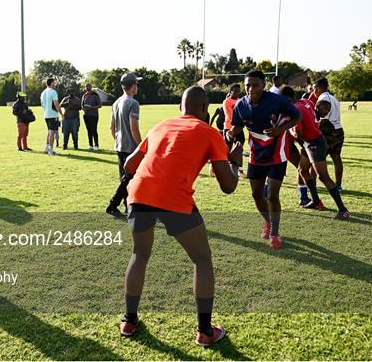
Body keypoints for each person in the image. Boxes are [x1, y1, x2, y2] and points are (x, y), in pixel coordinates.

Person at [118, 86, 242, 345]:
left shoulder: (161, 126)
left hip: (138, 192)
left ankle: (129, 320)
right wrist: (235, 162)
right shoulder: (210, 133)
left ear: (180, 108)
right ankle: (205, 332)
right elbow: (228, 186)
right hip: (173, 196)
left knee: (139, 254)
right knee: (202, 259)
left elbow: (130, 163)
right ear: (205, 109)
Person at [229, 70, 300, 249]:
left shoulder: (277, 100)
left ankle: (275, 234)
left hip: (277, 153)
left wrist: (280, 129)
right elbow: (238, 125)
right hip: (256, 154)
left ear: (264, 84)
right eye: (248, 85)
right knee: (256, 195)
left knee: (272, 195)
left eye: (255, 85)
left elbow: (296, 116)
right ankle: (268, 222)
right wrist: (232, 132)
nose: (250, 88)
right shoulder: (240, 105)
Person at [280, 86, 350, 220]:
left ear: (288, 99)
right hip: (313, 141)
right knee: (302, 170)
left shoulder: (295, 110)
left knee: (323, 176)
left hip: (314, 143)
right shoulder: (306, 102)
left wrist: (290, 131)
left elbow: (298, 134)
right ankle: (316, 200)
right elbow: (313, 114)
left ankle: (343, 210)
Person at [105, 72, 142, 217]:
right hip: (131, 147)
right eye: (136, 84)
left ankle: (128, 207)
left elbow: (111, 127)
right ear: (133, 86)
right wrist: (141, 146)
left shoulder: (116, 103)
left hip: (120, 145)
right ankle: (113, 205)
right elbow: (134, 128)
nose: (137, 87)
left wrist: (117, 139)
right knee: (129, 178)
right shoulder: (133, 103)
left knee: (126, 178)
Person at [313, 78, 345, 191]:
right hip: (338, 130)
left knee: (315, 159)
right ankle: (338, 185)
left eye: (314, 89)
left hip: (327, 132)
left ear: (318, 88)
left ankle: (312, 186)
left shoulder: (323, 99)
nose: (313, 92)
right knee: (337, 159)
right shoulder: (334, 98)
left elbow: (323, 120)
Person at [222, 83, 245, 174]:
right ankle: (224, 168)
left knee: (240, 147)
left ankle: (240, 170)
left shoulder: (241, 101)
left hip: (239, 128)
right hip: (228, 127)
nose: (237, 93)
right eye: (235, 91)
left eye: (238, 91)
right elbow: (230, 115)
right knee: (227, 149)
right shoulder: (226, 102)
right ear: (231, 91)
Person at [40, 78, 64, 156]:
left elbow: (42, 105)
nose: (55, 84)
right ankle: (51, 150)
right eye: (54, 83)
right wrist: (61, 114)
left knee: (49, 131)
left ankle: (47, 148)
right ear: (51, 83)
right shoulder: (53, 92)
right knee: (52, 132)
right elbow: (57, 104)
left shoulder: (43, 92)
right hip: (52, 115)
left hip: (46, 114)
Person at [81, 83, 102, 150]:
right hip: (86, 115)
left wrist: (92, 107)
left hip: (94, 115)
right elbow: (82, 105)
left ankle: (96, 145)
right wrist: (83, 108)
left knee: (94, 130)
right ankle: (90, 145)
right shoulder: (84, 95)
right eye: (86, 86)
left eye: (88, 86)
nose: (87, 87)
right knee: (88, 130)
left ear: (91, 87)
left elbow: (100, 105)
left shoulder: (95, 95)